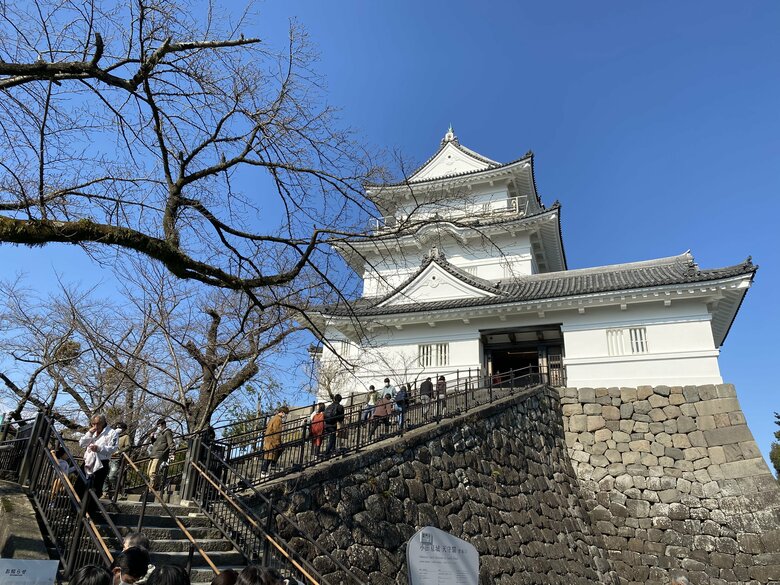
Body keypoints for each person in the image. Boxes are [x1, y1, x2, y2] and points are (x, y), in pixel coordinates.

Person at [78, 414, 118, 499]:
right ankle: (76, 508)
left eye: (98, 423)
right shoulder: (91, 432)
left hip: (102, 462)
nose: (96, 426)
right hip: (88, 461)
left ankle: (91, 509)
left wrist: (99, 449)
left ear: (103, 423)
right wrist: (89, 433)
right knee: (80, 484)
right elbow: (81, 444)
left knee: (96, 487)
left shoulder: (112, 433)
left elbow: (113, 448)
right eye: (93, 424)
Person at [261, 406, 289, 476]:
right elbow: (277, 431)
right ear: (282, 412)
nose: (285, 416)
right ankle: (264, 471)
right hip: (272, 439)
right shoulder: (278, 419)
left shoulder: (274, 418)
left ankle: (271, 467)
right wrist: (278, 442)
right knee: (270, 455)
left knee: (270, 454)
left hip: (269, 439)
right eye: (285, 414)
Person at [148, 418, 175, 489]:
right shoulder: (159, 433)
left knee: (152, 473)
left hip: (160, 454)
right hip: (154, 454)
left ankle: (152, 488)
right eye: (158, 426)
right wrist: (152, 438)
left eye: (159, 425)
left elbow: (171, 443)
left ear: (163, 424)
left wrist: (172, 452)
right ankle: (158, 484)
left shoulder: (167, 432)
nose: (158, 427)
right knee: (149, 472)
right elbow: (155, 443)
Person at [107, 422, 131, 497]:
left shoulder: (125, 436)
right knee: (105, 476)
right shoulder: (111, 435)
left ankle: (120, 490)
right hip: (107, 457)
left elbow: (128, 446)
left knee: (112, 476)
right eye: (117, 428)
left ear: (123, 429)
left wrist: (119, 452)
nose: (118, 429)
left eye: (120, 428)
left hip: (117, 458)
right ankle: (105, 492)